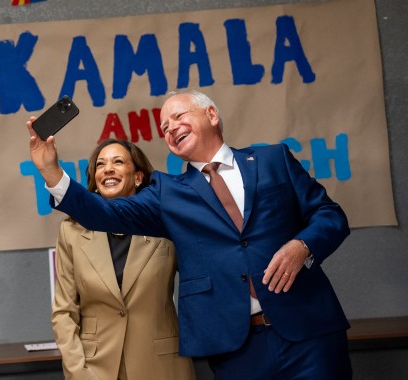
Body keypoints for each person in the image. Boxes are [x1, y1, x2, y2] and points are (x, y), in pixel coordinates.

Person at [28, 90, 352, 379]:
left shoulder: (272, 160)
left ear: (211, 114)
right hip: (236, 349)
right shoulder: (167, 193)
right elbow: (102, 212)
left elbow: (330, 216)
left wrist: (302, 246)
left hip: (310, 334)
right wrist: (50, 171)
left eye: (178, 116)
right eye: (164, 129)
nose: (171, 128)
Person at [51, 139, 196, 380]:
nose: (107, 169)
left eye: (118, 161)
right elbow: (64, 311)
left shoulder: (166, 223)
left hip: (162, 366)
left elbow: (201, 278)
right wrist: (77, 371)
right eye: (100, 164)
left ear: (139, 177)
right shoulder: (72, 231)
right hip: (96, 368)